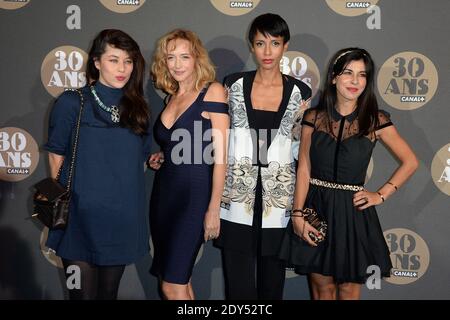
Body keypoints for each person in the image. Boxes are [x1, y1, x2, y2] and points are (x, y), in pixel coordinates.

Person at [279, 48, 419, 300]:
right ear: (333, 77)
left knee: (348, 290)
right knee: (323, 289)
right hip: (316, 209)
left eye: (362, 75)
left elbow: (410, 161)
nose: (355, 81)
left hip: (352, 213)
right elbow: (304, 169)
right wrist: (298, 214)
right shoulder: (314, 117)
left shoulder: (376, 120)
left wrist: (382, 194)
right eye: (348, 73)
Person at [44, 29, 152, 300]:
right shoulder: (73, 102)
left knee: (108, 294)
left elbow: (142, 157)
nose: (122, 68)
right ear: (96, 62)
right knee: (79, 296)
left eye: (128, 61)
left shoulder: (139, 107)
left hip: (120, 219)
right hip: (79, 218)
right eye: (114, 60)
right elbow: (56, 153)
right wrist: (63, 198)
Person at [214, 13, 312, 300]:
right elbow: (217, 138)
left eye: (275, 43)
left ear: (285, 46)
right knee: (238, 288)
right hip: (235, 200)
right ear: (251, 46)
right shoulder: (231, 85)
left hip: (279, 203)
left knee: (272, 288)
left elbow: (300, 150)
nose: (267, 52)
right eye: (260, 43)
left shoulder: (300, 92)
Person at [148, 29, 229, 300]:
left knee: (171, 286)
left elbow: (221, 156)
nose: (177, 64)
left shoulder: (213, 91)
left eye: (185, 56)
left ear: (197, 59)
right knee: (180, 282)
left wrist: (214, 208)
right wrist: (164, 155)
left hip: (194, 196)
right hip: (164, 196)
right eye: (171, 57)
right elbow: (181, 142)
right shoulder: (170, 97)